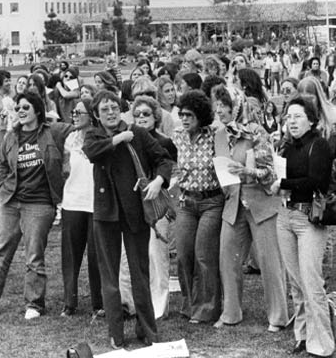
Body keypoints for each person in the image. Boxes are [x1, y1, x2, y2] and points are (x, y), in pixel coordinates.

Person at [0, 89, 69, 319]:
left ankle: (34, 304)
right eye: (18, 108)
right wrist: (4, 184)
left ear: (37, 111)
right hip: (12, 201)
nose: (21, 111)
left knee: (33, 255)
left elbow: (76, 129)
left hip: (40, 203)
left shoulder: (52, 132)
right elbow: (2, 162)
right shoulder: (12, 136)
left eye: (26, 108)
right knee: (0, 251)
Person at [83, 94, 175, 349]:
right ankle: (116, 334)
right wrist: (119, 139)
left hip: (135, 211)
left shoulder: (138, 132)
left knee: (140, 273)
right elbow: (92, 152)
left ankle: (147, 330)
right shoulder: (94, 135)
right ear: (96, 114)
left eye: (114, 107)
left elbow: (164, 159)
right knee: (110, 277)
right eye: (105, 109)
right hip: (106, 213)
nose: (111, 112)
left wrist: (158, 181)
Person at [217, 78, 290, 331]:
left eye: (223, 106)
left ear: (236, 106)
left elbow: (269, 173)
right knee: (227, 258)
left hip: (261, 203)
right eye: (216, 106)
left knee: (270, 263)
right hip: (233, 203)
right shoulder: (220, 135)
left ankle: (278, 317)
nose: (218, 111)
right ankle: (230, 313)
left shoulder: (257, 132)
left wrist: (247, 170)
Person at [277, 95, 336, 357]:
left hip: (309, 220)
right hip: (285, 217)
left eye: (297, 116)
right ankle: (302, 335)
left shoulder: (320, 145)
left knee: (312, 283)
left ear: (311, 120)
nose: (291, 120)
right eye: (288, 116)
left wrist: (283, 185)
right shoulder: (286, 147)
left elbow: (316, 180)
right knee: (296, 284)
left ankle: (322, 343)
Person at [166, 90, 228, 325]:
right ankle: (189, 303)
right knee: (183, 254)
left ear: (200, 115)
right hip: (186, 201)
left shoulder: (215, 134)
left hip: (211, 201)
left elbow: (224, 163)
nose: (184, 119)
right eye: (181, 114)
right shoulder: (177, 136)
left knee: (204, 254)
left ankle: (208, 308)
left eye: (189, 115)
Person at [58, 96, 104, 317]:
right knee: (71, 255)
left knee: (97, 256)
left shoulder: (102, 137)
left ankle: (99, 303)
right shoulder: (69, 140)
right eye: (73, 113)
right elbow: (65, 170)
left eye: (79, 113)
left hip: (96, 204)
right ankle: (69, 302)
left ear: (92, 115)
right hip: (73, 202)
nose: (74, 116)